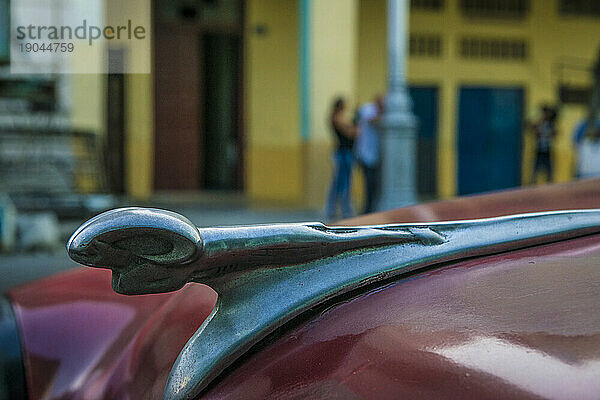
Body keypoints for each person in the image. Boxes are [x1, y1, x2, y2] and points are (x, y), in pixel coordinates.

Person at [325, 97, 358, 220]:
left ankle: (335, 209)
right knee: (342, 183)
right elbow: (351, 133)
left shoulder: (340, 118)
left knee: (340, 183)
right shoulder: (336, 118)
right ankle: (342, 210)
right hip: (342, 153)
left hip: (345, 153)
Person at [355, 96, 384, 214]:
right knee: (370, 183)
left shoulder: (377, 111)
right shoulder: (368, 109)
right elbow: (372, 120)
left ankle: (371, 208)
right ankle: (367, 210)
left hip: (374, 155)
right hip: (365, 154)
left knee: (374, 184)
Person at [531, 105, 557, 183]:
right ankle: (533, 183)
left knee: (548, 169)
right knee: (536, 168)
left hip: (547, 148)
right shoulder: (540, 122)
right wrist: (540, 120)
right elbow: (533, 128)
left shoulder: (551, 124)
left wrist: (549, 134)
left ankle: (549, 183)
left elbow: (555, 133)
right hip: (539, 148)